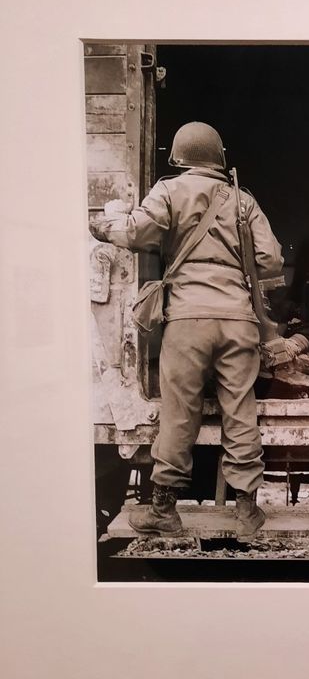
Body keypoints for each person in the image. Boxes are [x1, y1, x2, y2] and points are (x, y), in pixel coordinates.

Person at [89, 121, 283, 540]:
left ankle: (163, 510)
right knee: (240, 408)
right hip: (239, 320)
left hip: (188, 320)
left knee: (180, 412)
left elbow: (135, 232)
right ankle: (247, 510)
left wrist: (100, 227)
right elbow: (270, 261)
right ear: (219, 158)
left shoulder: (169, 191)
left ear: (179, 157)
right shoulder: (242, 200)